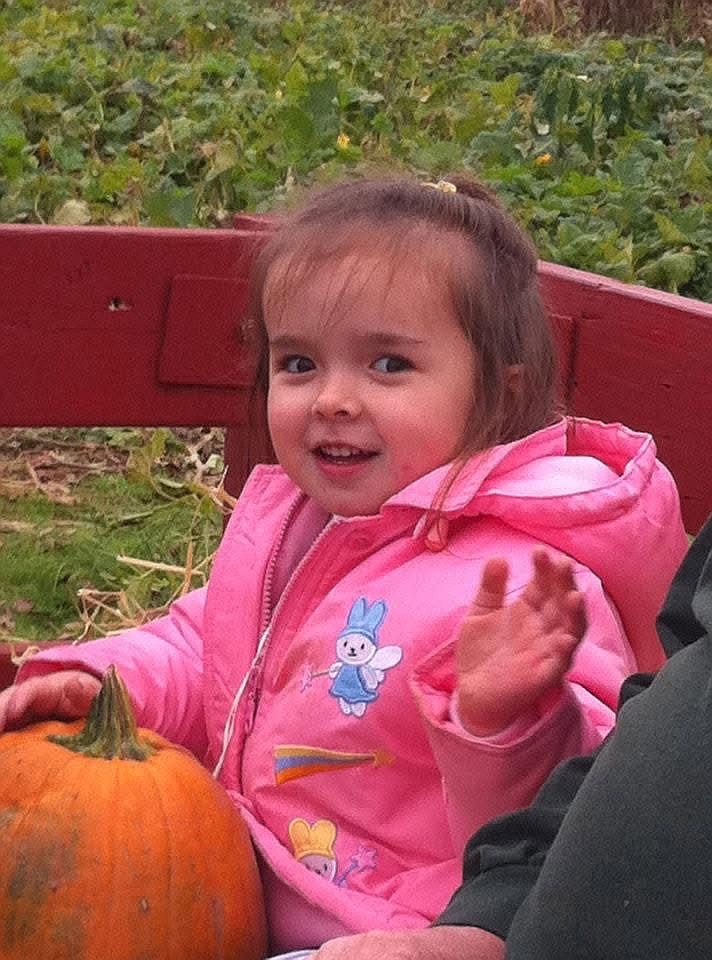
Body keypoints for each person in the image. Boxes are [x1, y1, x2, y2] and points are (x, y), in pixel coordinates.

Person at [0, 175, 687, 954]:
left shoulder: (528, 582)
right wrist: (100, 681)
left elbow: (581, 828)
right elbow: (206, 649)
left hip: (394, 937)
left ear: (498, 392)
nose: (331, 398)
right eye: (298, 363)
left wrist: (507, 722)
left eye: (387, 365)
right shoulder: (306, 529)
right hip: (233, 890)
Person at [309, 516, 712, 960]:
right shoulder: (292, 532)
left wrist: (500, 725)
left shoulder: (535, 581)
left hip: (392, 914)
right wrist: (492, 918)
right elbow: (661, 711)